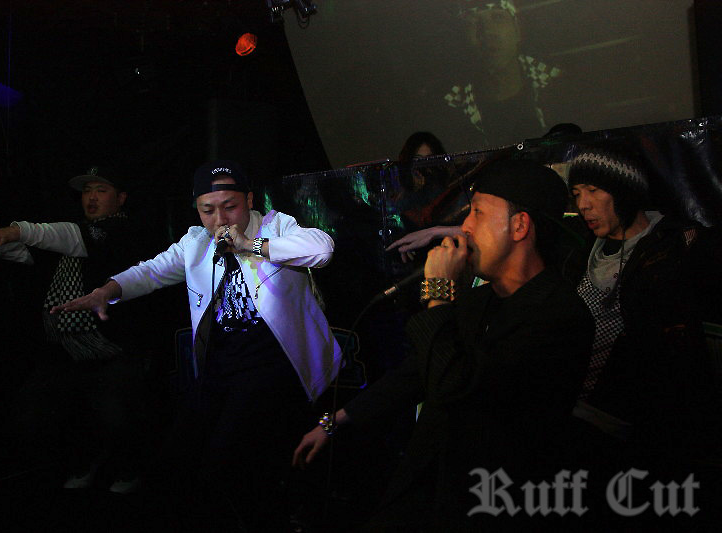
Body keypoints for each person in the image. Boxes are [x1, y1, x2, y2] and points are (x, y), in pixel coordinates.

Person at [293, 159, 593, 530]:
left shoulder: (558, 315)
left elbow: (456, 388)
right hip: (429, 485)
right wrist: (335, 420)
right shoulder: (482, 299)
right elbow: (417, 371)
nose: (465, 227)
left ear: (519, 226)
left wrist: (439, 293)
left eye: (478, 213)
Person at [51, 159, 342, 529]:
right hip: (220, 366)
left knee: (228, 460)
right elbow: (151, 271)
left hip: (276, 364)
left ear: (249, 200)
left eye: (230, 206)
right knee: (177, 460)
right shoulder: (196, 241)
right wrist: (107, 291)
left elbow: (322, 249)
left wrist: (251, 244)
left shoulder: (276, 226)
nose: (220, 219)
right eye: (208, 210)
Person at [0, 166, 162, 493]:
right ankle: (85, 461)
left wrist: (21, 230)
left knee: (118, 417)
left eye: (101, 190)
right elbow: (10, 246)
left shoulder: (124, 231)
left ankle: (128, 470)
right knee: (38, 416)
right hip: (63, 351)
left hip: (111, 347)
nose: (91, 197)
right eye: (87, 191)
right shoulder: (67, 237)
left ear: (120, 198)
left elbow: (66, 237)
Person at [566, 147, 722, 522]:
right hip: (575, 412)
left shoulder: (677, 243)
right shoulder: (580, 249)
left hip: (636, 427)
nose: (583, 204)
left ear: (625, 191)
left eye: (593, 190)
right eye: (577, 194)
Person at [443, 0, 565, 148]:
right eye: (472, 23)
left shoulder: (562, 88)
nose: (487, 31)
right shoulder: (450, 111)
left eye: (498, 18)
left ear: (517, 30)